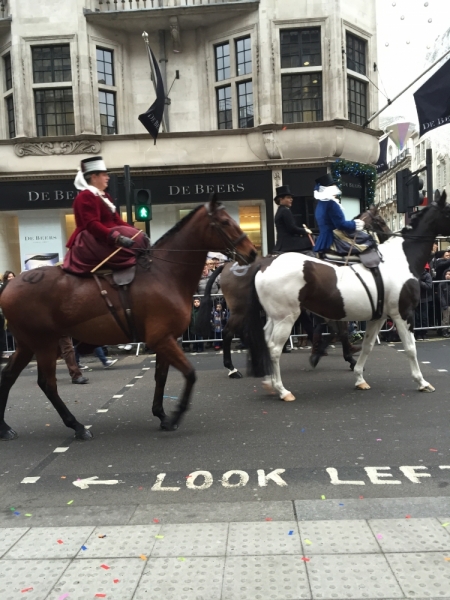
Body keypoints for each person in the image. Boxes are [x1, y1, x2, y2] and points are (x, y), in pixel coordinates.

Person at [63, 156, 148, 274]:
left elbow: (117, 220)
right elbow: (92, 225)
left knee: (138, 241)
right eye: (104, 175)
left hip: (106, 237)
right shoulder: (86, 196)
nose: (108, 178)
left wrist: (136, 232)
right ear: (94, 177)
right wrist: (116, 237)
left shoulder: (105, 196)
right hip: (94, 239)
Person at [313, 174, 367, 256]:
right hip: (333, 238)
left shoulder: (320, 204)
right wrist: (355, 224)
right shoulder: (332, 204)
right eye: (334, 186)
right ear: (329, 189)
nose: (336, 188)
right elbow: (340, 224)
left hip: (323, 239)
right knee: (368, 241)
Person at [272, 185, 314, 253]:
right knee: (310, 241)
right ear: (281, 199)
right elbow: (292, 228)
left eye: (291, 197)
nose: (291, 199)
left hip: (282, 243)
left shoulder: (280, 210)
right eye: (288, 197)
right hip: (289, 243)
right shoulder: (285, 211)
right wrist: (305, 230)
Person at [414, 264, 433, 340]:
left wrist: (420, 282)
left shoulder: (427, 275)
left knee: (424, 317)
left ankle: (424, 333)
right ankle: (418, 333)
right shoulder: (413, 274)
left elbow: (429, 286)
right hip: (415, 299)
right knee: (416, 317)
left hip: (424, 299)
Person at [439, 268, 450, 338]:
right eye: (447, 274)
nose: (448, 276)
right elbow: (440, 295)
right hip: (446, 304)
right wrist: (444, 304)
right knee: (445, 318)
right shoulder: (442, 284)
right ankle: (444, 331)